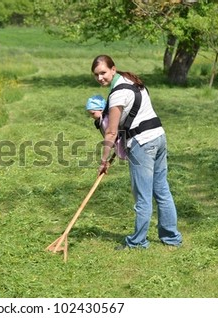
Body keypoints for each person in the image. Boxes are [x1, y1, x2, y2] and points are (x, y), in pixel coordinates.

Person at [89, 54, 182, 250]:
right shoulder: (130, 81)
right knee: (161, 190)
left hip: (143, 144)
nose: (100, 78)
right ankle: (171, 238)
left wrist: (103, 160)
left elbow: (112, 132)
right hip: (159, 137)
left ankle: (138, 242)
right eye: (96, 75)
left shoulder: (117, 95)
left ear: (113, 69)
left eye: (103, 73)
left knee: (143, 195)